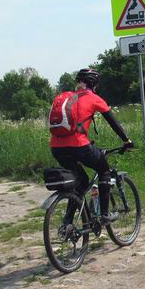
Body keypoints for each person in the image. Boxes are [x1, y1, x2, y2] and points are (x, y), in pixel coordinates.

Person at [50, 68, 133, 224]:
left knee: (80, 182)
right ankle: (104, 215)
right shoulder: (94, 98)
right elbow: (113, 122)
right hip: (79, 145)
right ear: (94, 84)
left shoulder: (69, 97)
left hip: (57, 147)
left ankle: (67, 223)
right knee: (104, 170)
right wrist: (126, 141)